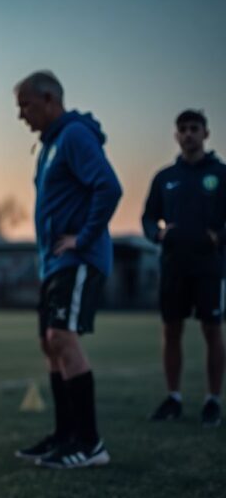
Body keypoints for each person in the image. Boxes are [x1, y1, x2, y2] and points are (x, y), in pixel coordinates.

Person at [13, 71, 122, 468]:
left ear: (48, 99)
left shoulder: (75, 136)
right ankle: (65, 437)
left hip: (77, 258)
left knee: (62, 338)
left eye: (25, 105)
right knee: (49, 342)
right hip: (54, 263)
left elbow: (109, 187)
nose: (22, 115)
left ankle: (91, 444)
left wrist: (84, 236)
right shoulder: (49, 146)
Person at [142, 110, 225, 427]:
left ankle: (212, 401)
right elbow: (149, 218)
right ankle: (173, 398)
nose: (188, 134)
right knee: (171, 330)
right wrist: (157, 233)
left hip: (209, 266)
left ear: (206, 133)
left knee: (212, 330)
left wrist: (218, 237)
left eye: (194, 128)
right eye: (183, 129)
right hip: (173, 266)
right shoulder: (165, 178)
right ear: (176, 136)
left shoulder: (221, 174)